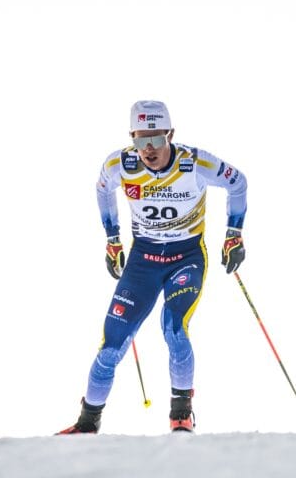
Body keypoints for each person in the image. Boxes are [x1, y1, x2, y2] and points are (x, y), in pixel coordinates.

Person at [58, 100, 248, 434]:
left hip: (185, 258)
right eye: (140, 139)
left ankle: (181, 413)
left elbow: (238, 183)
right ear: (131, 136)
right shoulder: (121, 163)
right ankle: (87, 422)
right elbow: (102, 189)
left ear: (170, 134)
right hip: (142, 261)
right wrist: (112, 238)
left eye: (157, 139)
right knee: (111, 346)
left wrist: (234, 235)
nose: (149, 149)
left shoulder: (194, 162)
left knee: (173, 328)